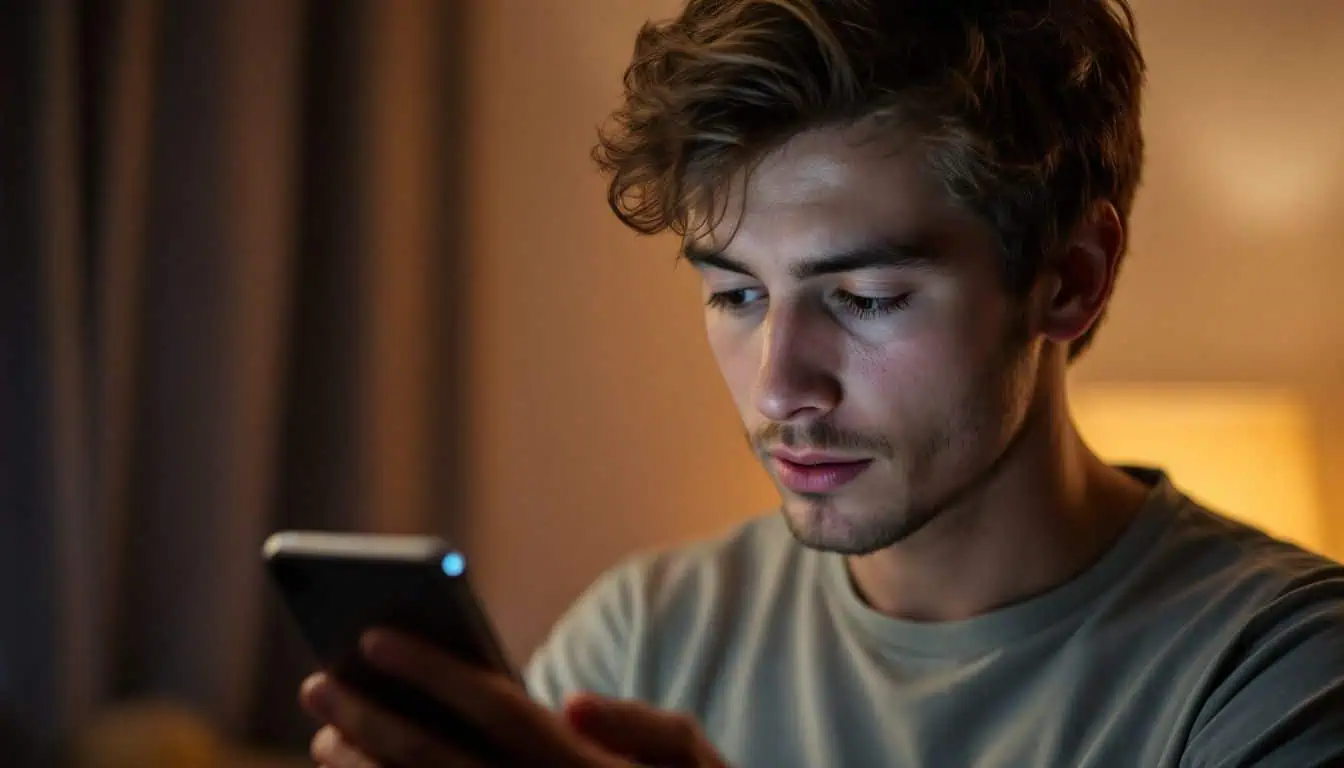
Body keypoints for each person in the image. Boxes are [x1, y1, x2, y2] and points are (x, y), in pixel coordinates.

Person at [298, 1, 1344, 765]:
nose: (778, 387)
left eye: (868, 298)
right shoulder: (648, 635)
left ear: (1069, 280)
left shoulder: (1279, 670)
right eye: (737, 295)